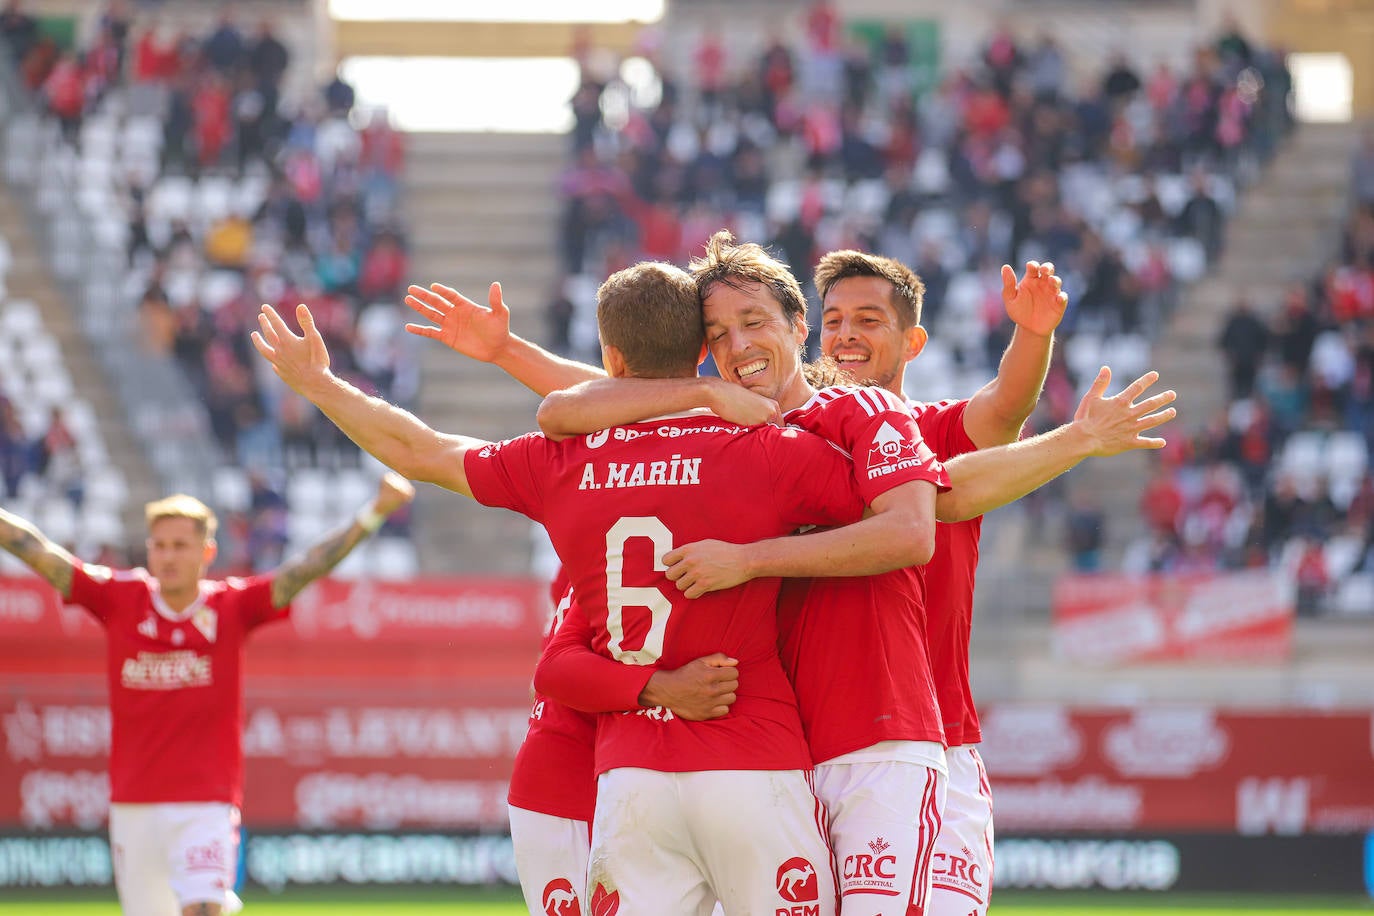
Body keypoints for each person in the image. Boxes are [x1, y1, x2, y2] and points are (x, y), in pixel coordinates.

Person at [252, 262, 947, 914]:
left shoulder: (561, 458)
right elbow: (901, 512)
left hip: (630, 778)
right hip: (751, 759)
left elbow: (422, 451)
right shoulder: (769, 449)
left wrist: (321, 384)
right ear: (701, 352)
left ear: (612, 361)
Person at [0, 473, 415, 916]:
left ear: (207, 552)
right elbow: (40, 552)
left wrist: (374, 513)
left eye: (180, 545)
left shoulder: (230, 606)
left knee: (203, 908)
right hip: (133, 806)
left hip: (206, 805)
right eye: (160, 545)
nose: (168, 556)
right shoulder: (120, 598)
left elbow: (306, 567)